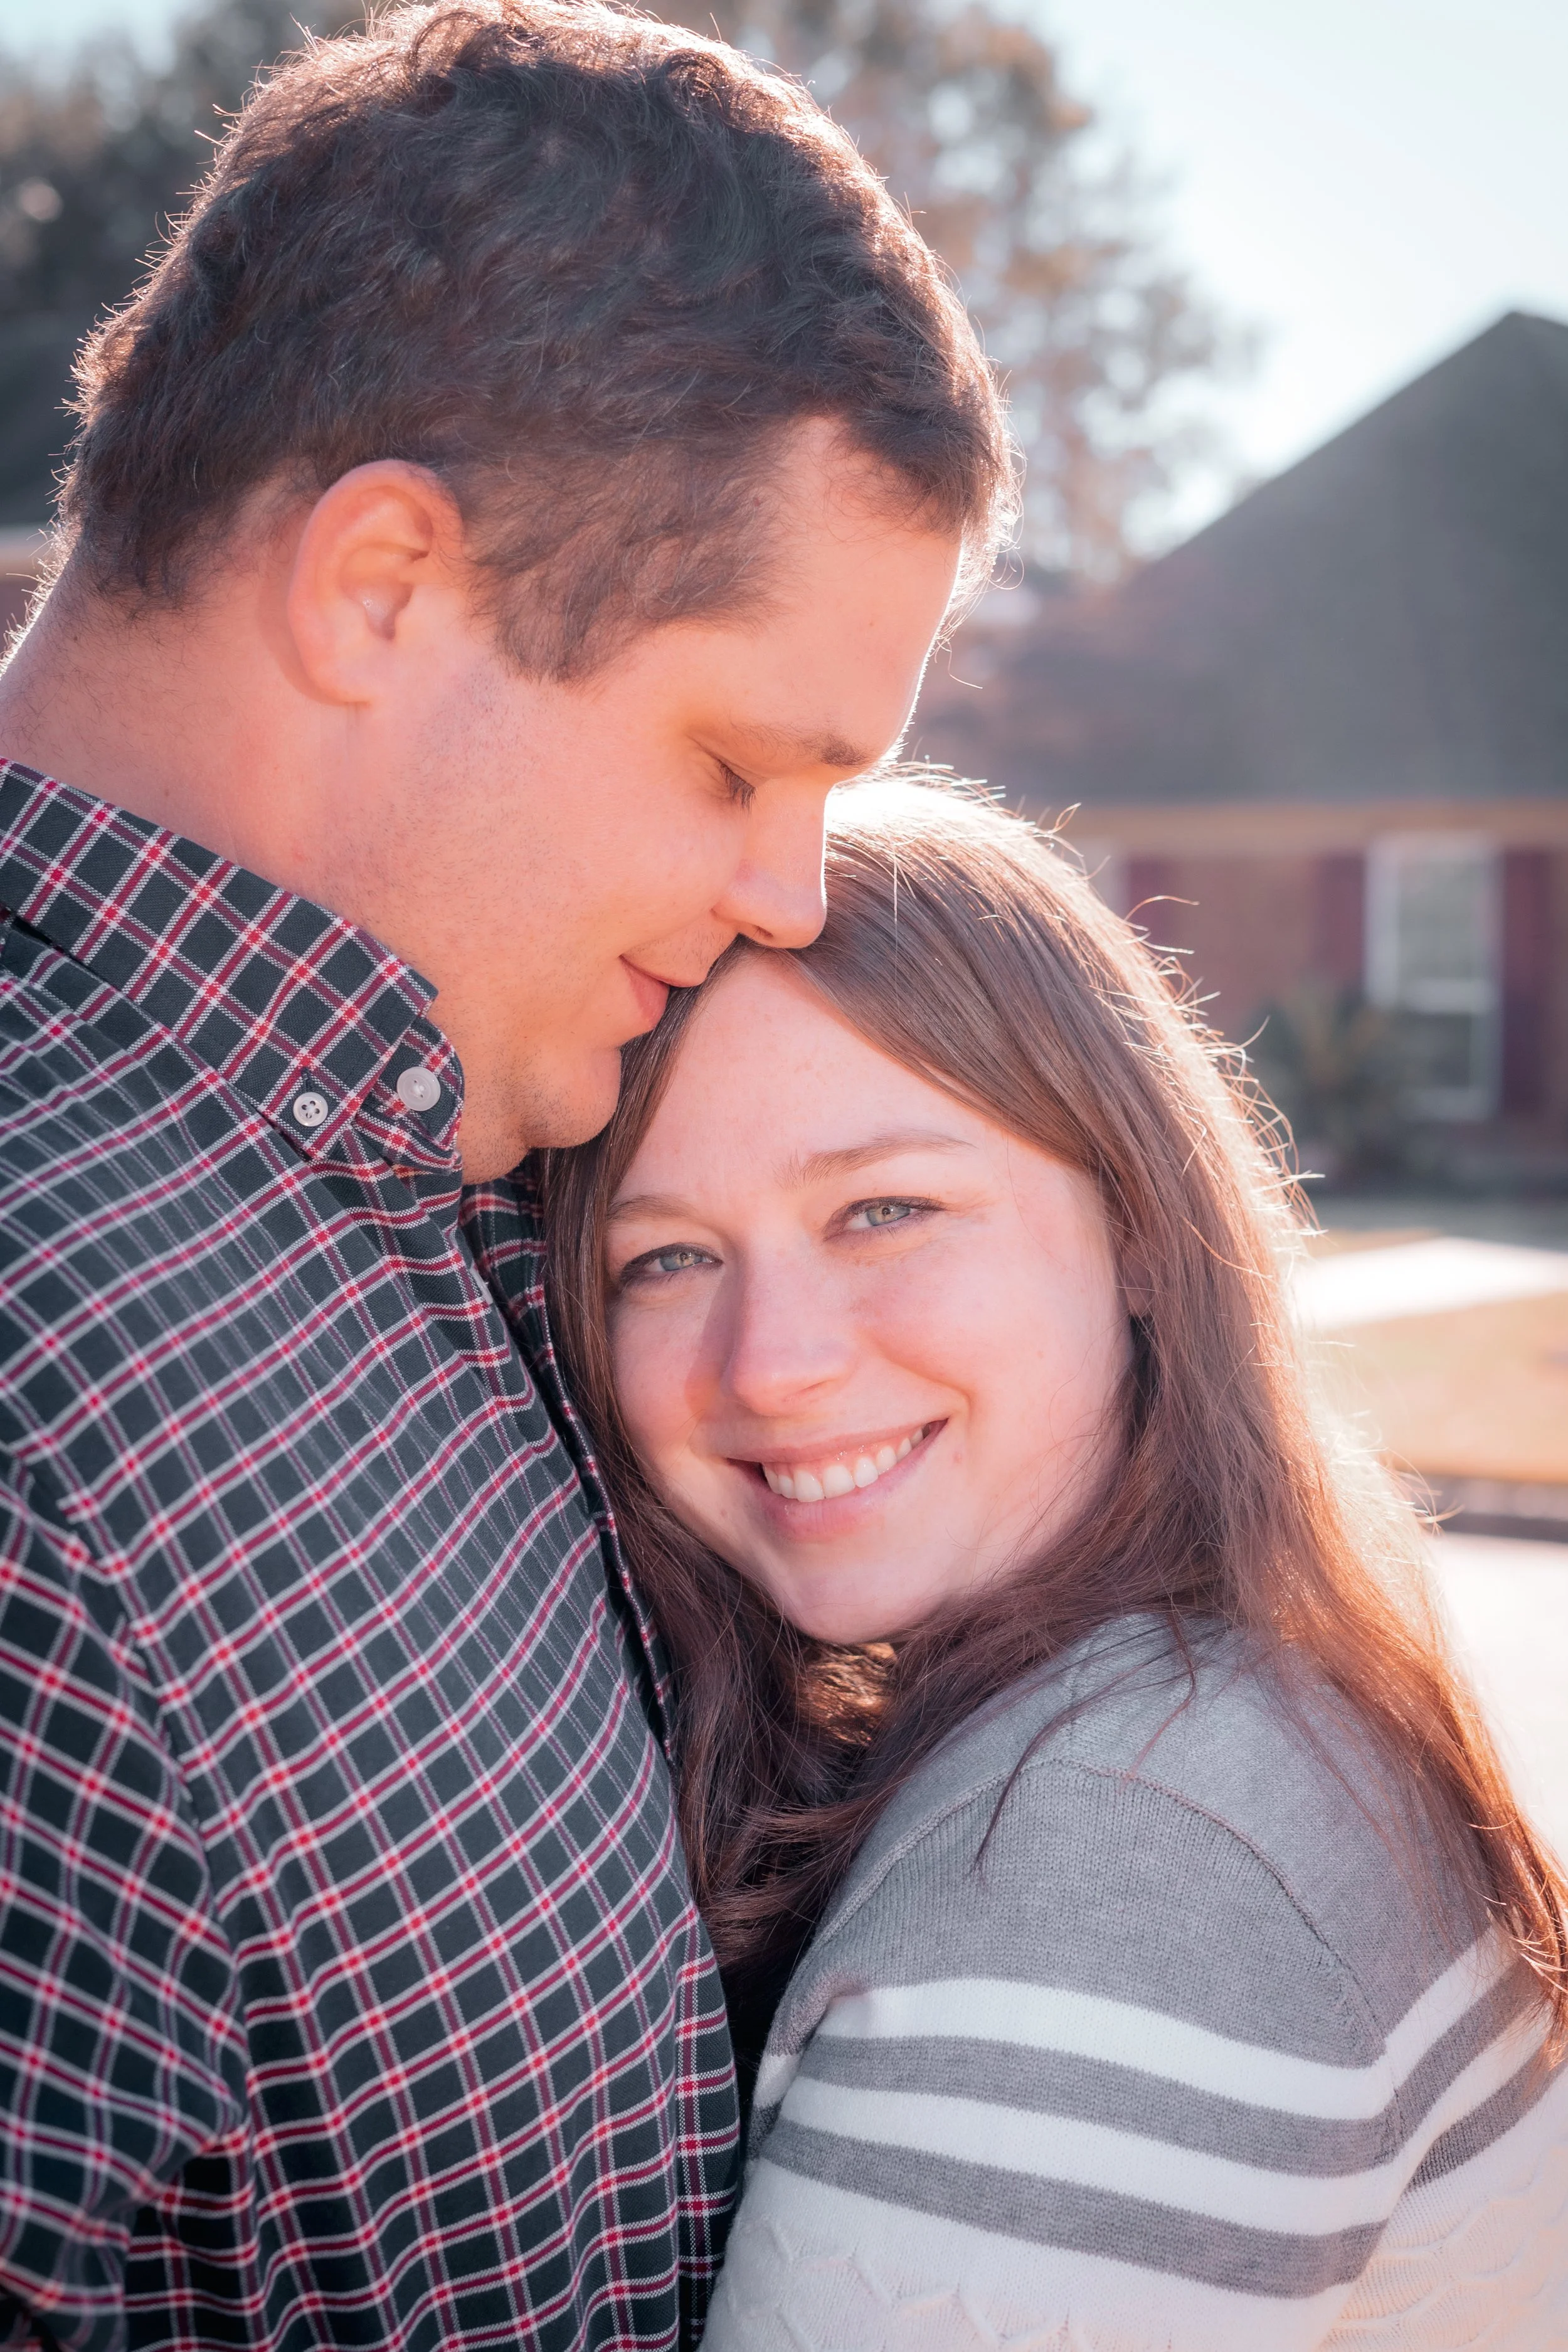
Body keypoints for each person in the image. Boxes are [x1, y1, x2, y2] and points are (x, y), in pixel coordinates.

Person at [0, 5, 1015, 2344]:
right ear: (380, 587)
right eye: (739, 758)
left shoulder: (439, 1163)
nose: (788, 891)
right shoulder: (46, 1405)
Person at [542, 778, 1568, 2351]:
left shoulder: (1111, 1855)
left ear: (1143, 1236)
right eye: (663, 1256)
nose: (772, 1364)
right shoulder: (1193, 1708)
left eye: (883, 1208)